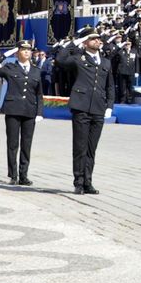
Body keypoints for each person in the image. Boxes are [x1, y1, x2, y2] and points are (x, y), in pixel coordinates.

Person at [55, 31, 115, 195]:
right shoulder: (78, 58)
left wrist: (109, 105)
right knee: (80, 147)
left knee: (91, 149)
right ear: (86, 42)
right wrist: (75, 42)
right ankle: (79, 182)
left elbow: (110, 86)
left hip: (98, 108)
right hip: (81, 107)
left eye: (98, 39)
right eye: (93, 39)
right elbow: (60, 60)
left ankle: (88, 181)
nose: (97, 41)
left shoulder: (106, 62)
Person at [0, 42, 44, 185]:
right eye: (23, 50)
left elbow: (39, 94)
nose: (26, 52)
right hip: (13, 109)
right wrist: (6, 54)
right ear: (17, 52)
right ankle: (13, 174)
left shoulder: (36, 70)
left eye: (28, 50)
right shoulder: (10, 67)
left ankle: (24, 175)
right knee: (12, 143)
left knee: (26, 144)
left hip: (30, 110)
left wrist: (39, 112)